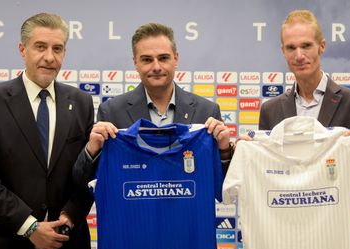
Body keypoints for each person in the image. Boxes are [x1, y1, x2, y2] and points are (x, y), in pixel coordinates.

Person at [0, 13, 95, 249]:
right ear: (23, 50)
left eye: (57, 49)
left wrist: (68, 217)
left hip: (63, 243)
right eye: (40, 47)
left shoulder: (81, 102)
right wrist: (31, 227)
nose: (49, 57)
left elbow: (87, 173)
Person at [258, 9, 350, 249]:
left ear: (321, 46)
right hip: (286, 243)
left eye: (306, 46)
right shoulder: (270, 110)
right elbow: (267, 176)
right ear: (283, 51)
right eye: (291, 48)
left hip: (340, 242)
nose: (299, 55)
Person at [73, 22, 232, 182]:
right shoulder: (111, 111)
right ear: (136, 63)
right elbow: (82, 182)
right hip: (134, 207)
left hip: (189, 207)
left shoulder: (207, 112)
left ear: (176, 59)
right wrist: (92, 149)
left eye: (163, 58)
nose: (156, 67)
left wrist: (224, 151)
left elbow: (223, 186)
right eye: (147, 60)